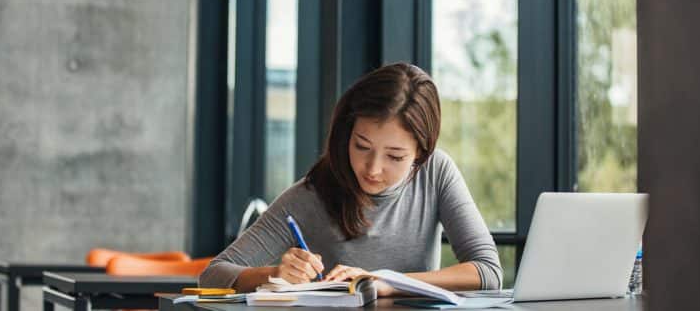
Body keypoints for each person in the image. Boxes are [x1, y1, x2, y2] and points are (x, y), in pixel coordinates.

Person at [199, 63, 502, 295]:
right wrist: (274, 274)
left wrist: (386, 281)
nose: (372, 168)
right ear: (347, 133)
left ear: (420, 154)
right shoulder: (311, 195)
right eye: (361, 146)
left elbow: (487, 271)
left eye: (394, 157)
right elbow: (213, 275)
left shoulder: (436, 173)